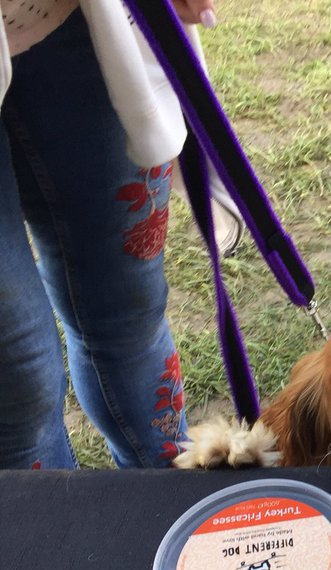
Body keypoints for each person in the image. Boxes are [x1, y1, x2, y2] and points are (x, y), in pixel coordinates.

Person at [0, 0, 214, 469]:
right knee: (17, 378)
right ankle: (55, 542)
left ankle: (170, 510)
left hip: (82, 18)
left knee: (131, 310)